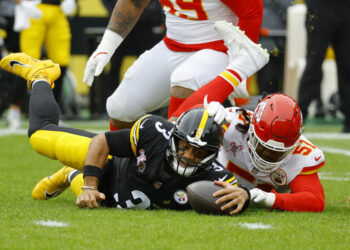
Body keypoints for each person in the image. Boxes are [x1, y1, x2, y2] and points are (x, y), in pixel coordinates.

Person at [0, 52, 251, 214]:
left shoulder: (215, 174)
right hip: (109, 164)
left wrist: (245, 194)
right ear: (175, 137)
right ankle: (41, 75)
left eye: (198, 153)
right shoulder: (155, 132)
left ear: (210, 156)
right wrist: (90, 184)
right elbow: (102, 141)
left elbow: (238, 192)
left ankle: (71, 174)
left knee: (94, 202)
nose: (187, 155)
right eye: (185, 146)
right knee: (40, 137)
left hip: (112, 194)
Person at [83, 0, 264, 131]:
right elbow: (134, 2)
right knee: (120, 107)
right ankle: (123, 168)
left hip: (219, 49)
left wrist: (239, 67)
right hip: (173, 44)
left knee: (186, 78)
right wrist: (107, 45)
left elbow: (251, 12)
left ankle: (170, 167)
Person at [297, 0, 350, 132]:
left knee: (347, 65)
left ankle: (349, 119)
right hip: (319, 7)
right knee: (313, 65)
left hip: (345, 8)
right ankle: (299, 118)